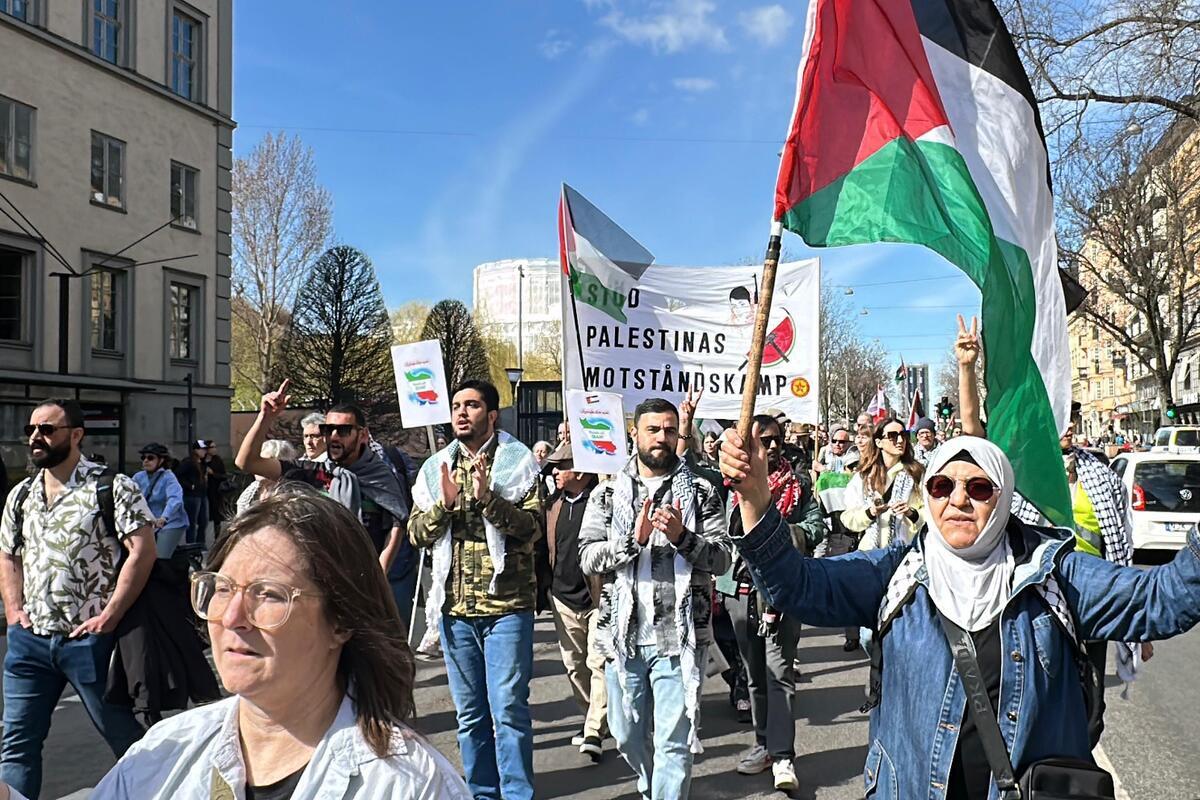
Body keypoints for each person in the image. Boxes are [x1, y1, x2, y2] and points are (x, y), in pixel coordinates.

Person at [719, 430, 1200, 800]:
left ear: (1004, 495)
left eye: (979, 488)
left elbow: (1165, 598)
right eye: (943, 484)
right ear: (927, 495)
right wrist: (757, 504)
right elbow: (798, 586)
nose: (958, 499)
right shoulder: (894, 572)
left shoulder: (1056, 574)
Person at [39, 489, 474, 799]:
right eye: (222, 588)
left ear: (341, 621)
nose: (230, 619)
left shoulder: (409, 784)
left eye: (268, 595)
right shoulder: (161, 754)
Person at [0, 399, 156, 799]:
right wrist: (15, 611)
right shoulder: (21, 495)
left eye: (48, 429)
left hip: (90, 640)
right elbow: (8, 554)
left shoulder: (112, 487)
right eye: (32, 429)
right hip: (30, 643)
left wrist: (109, 616)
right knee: (16, 746)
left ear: (76, 434)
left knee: (126, 740)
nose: (37, 437)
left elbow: (142, 550)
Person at [579, 397, 730, 800]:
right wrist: (633, 542)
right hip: (623, 636)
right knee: (626, 735)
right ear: (635, 434)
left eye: (668, 429)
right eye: (653, 429)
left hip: (678, 640)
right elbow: (588, 558)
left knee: (674, 745)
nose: (661, 438)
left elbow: (722, 559)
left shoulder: (701, 491)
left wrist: (684, 538)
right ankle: (650, 784)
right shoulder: (608, 493)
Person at [409, 379, 542, 800]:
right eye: (456, 405)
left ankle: (517, 793)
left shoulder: (518, 464)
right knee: (470, 715)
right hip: (455, 610)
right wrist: (443, 508)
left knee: (508, 711)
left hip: (507, 607)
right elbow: (416, 534)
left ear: (492, 414)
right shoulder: (436, 469)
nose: (461, 413)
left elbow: (531, 529)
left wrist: (488, 499)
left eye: (471, 405)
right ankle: (482, 793)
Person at [719, 415, 823, 792]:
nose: (774, 445)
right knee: (754, 675)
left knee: (780, 673)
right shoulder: (727, 484)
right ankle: (763, 743)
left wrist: (780, 535)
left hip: (782, 592)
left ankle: (783, 756)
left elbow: (816, 525)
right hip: (740, 592)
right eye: (764, 438)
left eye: (777, 438)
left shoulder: (798, 485)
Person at [236, 384, 411, 594]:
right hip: (319, 584)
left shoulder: (381, 476)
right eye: (328, 430)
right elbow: (247, 462)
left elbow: (395, 526)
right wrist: (265, 417)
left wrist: (377, 581)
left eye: (344, 431)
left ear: (362, 435)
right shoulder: (312, 471)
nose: (334, 437)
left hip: (365, 584)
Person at [542, 442, 609, 760]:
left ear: (580, 470)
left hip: (597, 597)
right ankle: (591, 717)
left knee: (598, 663)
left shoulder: (602, 501)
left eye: (561, 465)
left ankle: (595, 729)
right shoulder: (552, 504)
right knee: (574, 666)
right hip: (562, 599)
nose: (554, 471)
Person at [813, 426, 863, 650]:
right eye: (836, 441)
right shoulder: (825, 470)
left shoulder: (861, 471)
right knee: (846, 586)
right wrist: (819, 478)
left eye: (843, 441)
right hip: (837, 535)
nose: (839, 445)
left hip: (862, 536)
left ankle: (860, 633)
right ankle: (851, 632)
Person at [843, 417, 924, 552]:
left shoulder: (916, 473)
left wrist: (911, 513)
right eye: (892, 436)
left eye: (903, 435)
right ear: (879, 442)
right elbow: (848, 519)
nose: (900, 440)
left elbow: (931, 514)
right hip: (870, 554)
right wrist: (870, 512)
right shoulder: (863, 477)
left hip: (905, 553)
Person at [133, 443, 189, 559]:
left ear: (161, 460)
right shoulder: (138, 477)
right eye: (143, 457)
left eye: (150, 458)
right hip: (149, 523)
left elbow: (175, 499)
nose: (146, 461)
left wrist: (164, 517)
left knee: (160, 557)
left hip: (170, 523)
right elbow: (130, 496)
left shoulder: (168, 477)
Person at [235, 440, 297, 515]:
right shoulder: (251, 492)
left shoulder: (293, 492)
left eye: (265, 463)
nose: (259, 468)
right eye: (258, 463)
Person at [174, 441, 208, 546]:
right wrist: (189, 485)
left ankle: (200, 543)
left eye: (205, 449)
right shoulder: (188, 462)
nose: (204, 452)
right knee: (192, 522)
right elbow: (177, 475)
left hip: (202, 494)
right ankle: (191, 544)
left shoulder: (202, 463)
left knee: (204, 521)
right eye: (202, 449)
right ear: (195, 450)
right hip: (192, 496)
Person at [202, 441, 228, 541]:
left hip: (215, 491)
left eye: (215, 447)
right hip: (204, 491)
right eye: (212, 447)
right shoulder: (202, 461)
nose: (215, 449)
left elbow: (223, 475)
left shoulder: (217, 460)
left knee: (216, 515)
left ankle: (217, 537)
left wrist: (213, 473)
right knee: (204, 516)